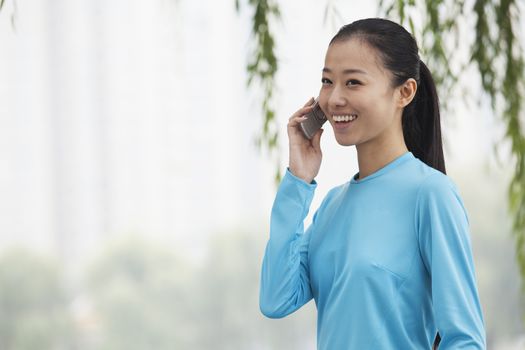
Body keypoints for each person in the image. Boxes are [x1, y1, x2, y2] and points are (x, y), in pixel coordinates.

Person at [259, 18, 486, 349]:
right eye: (327, 81)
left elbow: (465, 340)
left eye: (352, 82)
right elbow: (275, 299)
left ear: (404, 92)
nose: (334, 98)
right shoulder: (331, 206)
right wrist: (298, 179)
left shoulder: (431, 194)